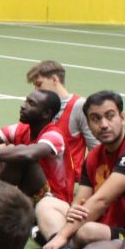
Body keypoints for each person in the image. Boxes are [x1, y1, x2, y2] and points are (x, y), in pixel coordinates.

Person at [28, 90, 125, 249]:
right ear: (88, 123)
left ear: (122, 117)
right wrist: (73, 210)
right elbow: (81, 202)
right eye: (95, 119)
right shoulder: (94, 155)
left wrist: (63, 234)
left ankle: (59, 246)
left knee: (87, 231)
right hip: (102, 222)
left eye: (109, 116)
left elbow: (101, 201)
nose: (103, 124)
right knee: (46, 204)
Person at [27, 60, 95, 201]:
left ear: (54, 79)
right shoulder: (41, 107)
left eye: (39, 84)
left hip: (63, 181)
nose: (36, 91)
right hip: (40, 173)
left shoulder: (79, 106)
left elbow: (96, 149)